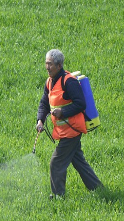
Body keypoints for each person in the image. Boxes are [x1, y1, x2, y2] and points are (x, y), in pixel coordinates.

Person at [36, 49, 102, 198]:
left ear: (59, 66)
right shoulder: (49, 82)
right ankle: (98, 189)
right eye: (46, 63)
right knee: (79, 162)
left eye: (50, 64)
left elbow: (81, 104)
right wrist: (40, 120)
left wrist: (62, 112)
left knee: (56, 163)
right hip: (63, 131)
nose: (47, 67)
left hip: (72, 130)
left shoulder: (69, 81)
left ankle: (59, 196)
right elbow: (44, 103)